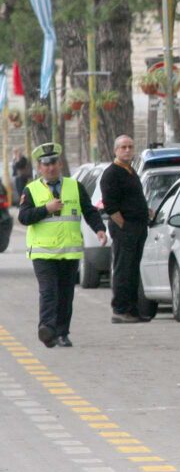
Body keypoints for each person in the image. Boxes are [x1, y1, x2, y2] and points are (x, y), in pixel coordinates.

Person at [18, 143, 107, 348]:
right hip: (43, 253)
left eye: (54, 163)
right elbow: (23, 217)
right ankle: (47, 330)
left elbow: (89, 210)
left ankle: (62, 332)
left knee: (66, 295)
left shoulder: (75, 186)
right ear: (39, 168)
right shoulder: (30, 190)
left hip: (69, 252)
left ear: (60, 165)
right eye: (46, 165)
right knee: (49, 292)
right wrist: (45, 209)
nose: (51, 168)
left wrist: (99, 229)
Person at [101, 135, 152, 323]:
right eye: (123, 147)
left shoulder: (130, 170)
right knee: (123, 270)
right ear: (116, 150)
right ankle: (120, 310)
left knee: (132, 270)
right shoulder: (112, 173)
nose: (128, 150)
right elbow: (110, 206)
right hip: (125, 229)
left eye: (130, 146)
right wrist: (124, 225)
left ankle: (132, 310)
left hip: (138, 227)